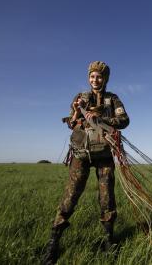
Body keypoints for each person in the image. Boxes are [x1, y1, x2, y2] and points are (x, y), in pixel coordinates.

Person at [44, 61, 130, 264]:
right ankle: (53, 242)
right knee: (70, 196)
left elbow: (124, 120)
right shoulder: (80, 97)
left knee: (107, 198)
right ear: (88, 78)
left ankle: (109, 241)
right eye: (92, 76)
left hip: (105, 156)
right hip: (80, 154)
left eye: (99, 76)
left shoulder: (113, 99)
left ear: (105, 78)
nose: (95, 80)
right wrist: (76, 113)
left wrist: (102, 119)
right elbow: (72, 124)